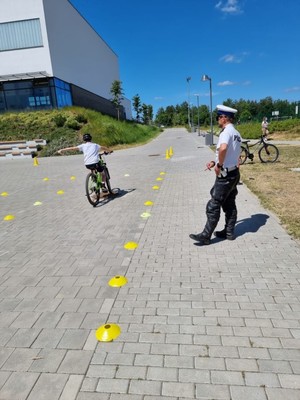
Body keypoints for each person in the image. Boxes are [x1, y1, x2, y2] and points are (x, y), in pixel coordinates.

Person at [189, 105, 241, 245]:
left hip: (224, 175)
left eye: (219, 117)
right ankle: (229, 232)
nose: (218, 119)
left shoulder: (225, 133)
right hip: (234, 173)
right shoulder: (236, 133)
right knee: (229, 204)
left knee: (214, 204)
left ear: (224, 118)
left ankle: (206, 235)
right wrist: (215, 161)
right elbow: (234, 154)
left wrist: (219, 165)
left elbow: (223, 148)